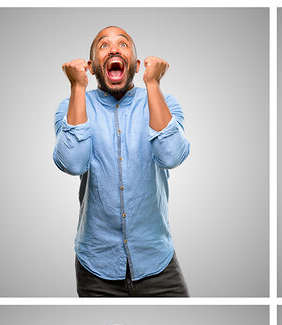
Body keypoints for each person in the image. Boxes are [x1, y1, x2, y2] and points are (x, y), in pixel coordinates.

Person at [54, 25, 190, 297]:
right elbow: (72, 163)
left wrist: (154, 84)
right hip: (97, 266)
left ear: (137, 65)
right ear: (91, 67)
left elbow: (172, 155)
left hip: (157, 261)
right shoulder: (70, 105)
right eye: (104, 45)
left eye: (123, 44)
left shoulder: (165, 102)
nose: (114, 48)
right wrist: (76, 87)